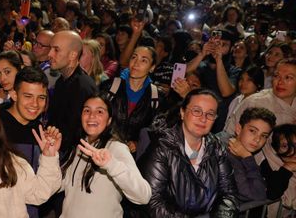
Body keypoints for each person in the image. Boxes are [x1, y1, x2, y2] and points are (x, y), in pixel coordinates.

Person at [140, 89, 238, 217]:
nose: (203, 119)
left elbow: (229, 194)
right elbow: (153, 201)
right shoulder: (162, 146)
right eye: (197, 111)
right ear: (182, 112)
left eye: (210, 114)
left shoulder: (216, 147)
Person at [59, 94, 151, 217]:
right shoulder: (79, 147)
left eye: (100, 111)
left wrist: (111, 165)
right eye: (87, 110)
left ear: (109, 120)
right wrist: (50, 155)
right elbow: (57, 185)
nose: (92, 116)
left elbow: (143, 196)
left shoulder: (116, 148)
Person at [0, 67, 49, 217]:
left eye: (41, 97)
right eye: (28, 96)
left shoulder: (39, 129)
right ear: (14, 94)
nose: (35, 104)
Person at [100, 46, 160, 153]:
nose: (136, 63)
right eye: (134, 57)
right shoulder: (110, 87)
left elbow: (157, 131)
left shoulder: (156, 97)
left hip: (130, 158)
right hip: (102, 148)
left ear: (152, 67)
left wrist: (138, 142)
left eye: (144, 60)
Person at [47, 30, 97, 156]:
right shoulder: (61, 81)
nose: (50, 54)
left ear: (73, 55)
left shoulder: (83, 87)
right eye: (50, 49)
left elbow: (77, 133)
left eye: (56, 50)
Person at [224, 107, 276, 202]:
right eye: (252, 131)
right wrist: (248, 158)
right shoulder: (226, 154)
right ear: (239, 129)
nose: (257, 139)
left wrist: (247, 157)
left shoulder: (242, 154)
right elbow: (256, 195)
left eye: (264, 136)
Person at [260, 124, 296, 216]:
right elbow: (272, 193)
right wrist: (286, 168)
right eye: (284, 146)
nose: (292, 151)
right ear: (276, 148)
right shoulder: (268, 164)